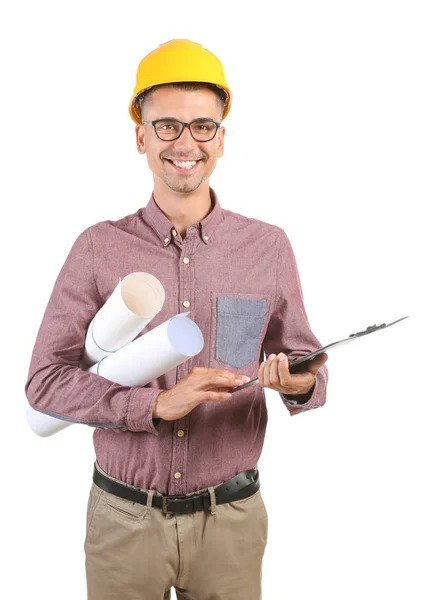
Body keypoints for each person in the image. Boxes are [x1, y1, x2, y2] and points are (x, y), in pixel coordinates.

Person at [25, 38, 329, 600]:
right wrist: (155, 405)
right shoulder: (97, 248)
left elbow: (309, 366)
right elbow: (44, 385)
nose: (185, 143)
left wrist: (301, 382)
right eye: (167, 126)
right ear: (141, 136)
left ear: (221, 138)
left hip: (231, 523)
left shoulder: (268, 247)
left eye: (202, 127)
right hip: (124, 521)